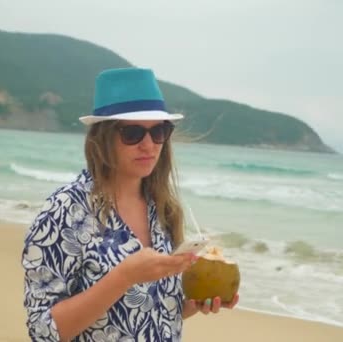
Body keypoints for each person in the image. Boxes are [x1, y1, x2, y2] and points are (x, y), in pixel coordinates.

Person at [21, 68, 239, 341]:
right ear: (103, 137)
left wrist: (193, 303)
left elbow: (146, 314)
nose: (149, 145)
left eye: (158, 131)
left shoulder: (163, 209)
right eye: (133, 133)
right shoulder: (65, 211)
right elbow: (43, 330)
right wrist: (124, 277)